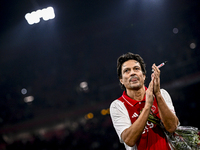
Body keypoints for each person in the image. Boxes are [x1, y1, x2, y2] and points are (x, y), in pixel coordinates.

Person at [110, 52, 179, 150]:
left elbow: (172, 127)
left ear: (144, 75)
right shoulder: (117, 105)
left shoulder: (162, 94)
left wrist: (158, 95)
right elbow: (129, 140)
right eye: (127, 70)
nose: (132, 72)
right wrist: (148, 106)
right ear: (121, 80)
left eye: (136, 69)